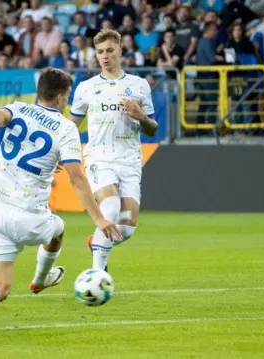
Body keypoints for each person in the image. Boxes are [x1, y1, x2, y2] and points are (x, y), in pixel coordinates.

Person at [0, 68, 121, 324]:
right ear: (59, 97)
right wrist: (99, 218)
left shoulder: (18, 108)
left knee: (1, 287)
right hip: (28, 215)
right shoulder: (66, 129)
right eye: (66, 96)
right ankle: (41, 279)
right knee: (58, 229)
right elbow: (77, 178)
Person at [69, 29, 158, 272]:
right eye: (100, 52)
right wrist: (60, 152)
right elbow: (70, 127)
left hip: (129, 159)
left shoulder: (138, 86)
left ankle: (96, 241)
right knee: (108, 209)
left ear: (120, 50)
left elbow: (152, 129)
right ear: (95, 55)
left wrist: (140, 115)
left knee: (125, 230)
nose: (105, 56)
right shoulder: (86, 88)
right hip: (99, 156)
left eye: (109, 50)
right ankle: (97, 275)